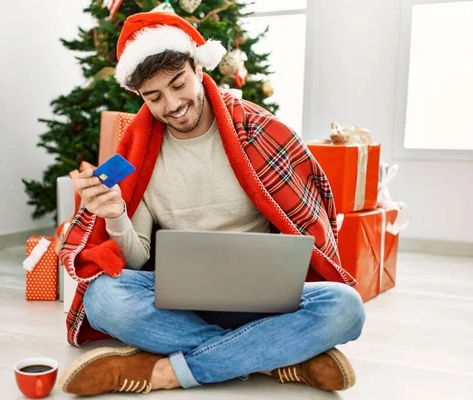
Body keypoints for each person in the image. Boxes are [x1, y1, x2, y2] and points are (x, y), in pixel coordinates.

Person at [56, 11, 365, 397]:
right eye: (155, 97)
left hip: (260, 300)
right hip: (179, 302)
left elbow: (305, 221)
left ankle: (166, 371)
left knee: (346, 307)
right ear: (141, 98)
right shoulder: (139, 155)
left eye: (178, 84)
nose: (172, 104)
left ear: (198, 69)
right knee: (103, 298)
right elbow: (136, 260)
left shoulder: (258, 131)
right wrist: (116, 215)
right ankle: (272, 357)